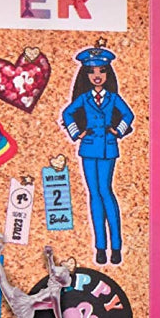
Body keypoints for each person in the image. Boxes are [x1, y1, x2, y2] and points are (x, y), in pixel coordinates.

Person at [60, 38, 134, 265]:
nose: (97, 75)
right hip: (89, 147)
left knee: (105, 191)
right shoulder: (84, 98)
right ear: (86, 75)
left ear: (108, 73)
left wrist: (117, 130)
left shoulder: (113, 98)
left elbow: (128, 115)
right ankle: (100, 246)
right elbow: (67, 113)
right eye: (92, 72)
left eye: (101, 70)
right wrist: (77, 133)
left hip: (108, 148)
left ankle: (116, 246)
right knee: (94, 194)